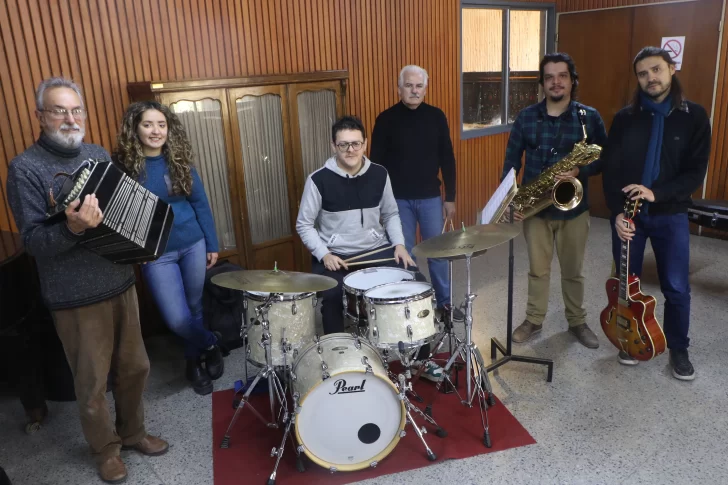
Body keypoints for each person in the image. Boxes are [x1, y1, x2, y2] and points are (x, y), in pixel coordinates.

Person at [6, 77, 168, 484]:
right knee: (93, 383)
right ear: (39, 116)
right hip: (74, 297)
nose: (69, 118)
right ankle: (105, 450)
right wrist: (72, 229)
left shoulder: (96, 153)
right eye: (59, 110)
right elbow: (32, 241)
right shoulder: (24, 169)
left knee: (136, 367)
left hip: (119, 281)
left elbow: (120, 209)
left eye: (76, 110)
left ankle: (132, 433)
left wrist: (142, 240)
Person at [296, 116, 444, 381]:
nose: (350, 150)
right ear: (333, 146)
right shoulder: (318, 180)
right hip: (337, 256)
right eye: (343, 145)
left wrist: (399, 244)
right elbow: (304, 224)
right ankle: (336, 363)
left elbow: (390, 214)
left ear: (365, 144)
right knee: (331, 297)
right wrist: (324, 254)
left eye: (355, 144)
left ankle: (423, 359)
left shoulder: (379, 173)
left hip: (377, 249)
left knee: (416, 282)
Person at [601, 46, 710, 380]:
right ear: (638, 78)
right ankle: (628, 338)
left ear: (671, 69)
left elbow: (694, 173)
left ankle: (678, 348)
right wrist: (616, 214)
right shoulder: (625, 118)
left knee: (676, 287)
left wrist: (656, 192)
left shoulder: (694, 116)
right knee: (626, 284)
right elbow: (611, 169)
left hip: (670, 213)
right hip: (628, 217)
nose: (651, 78)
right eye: (643, 73)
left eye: (657, 70)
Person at [114, 101, 225, 396]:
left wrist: (212, 243)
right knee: (177, 317)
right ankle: (211, 344)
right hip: (156, 254)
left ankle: (195, 364)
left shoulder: (179, 161)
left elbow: (200, 203)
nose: (155, 131)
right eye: (148, 124)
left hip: (192, 243)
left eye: (161, 125)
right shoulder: (124, 167)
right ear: (134, 128)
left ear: (168, 128)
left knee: (194, 307)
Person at [501, 53, 607, 349]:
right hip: (536, 208)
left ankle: (577, 321)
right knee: (538, 270)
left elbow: (603, 158)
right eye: (549, 77)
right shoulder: (526, 117)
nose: (556, 82)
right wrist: (511, 199)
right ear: (542, 83)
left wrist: (579, 169)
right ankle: (534, 319)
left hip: (574, 210)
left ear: (573, 81)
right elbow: (511, 161)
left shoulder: (589, 117)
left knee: (573, 271)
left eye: (562, 76)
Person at [370, 65, 464, 323]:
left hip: (431, 198)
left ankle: (444, 303)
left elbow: (448, 157)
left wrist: (450, 197)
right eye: (409, 85)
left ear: (425, 88)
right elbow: (376, 164)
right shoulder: (385, 119)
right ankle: (409, 304)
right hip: (397, 201)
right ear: (399, 88)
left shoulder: (436, 116)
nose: (414, 90)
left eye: (419, 86)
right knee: (405, 254)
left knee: (437, 253)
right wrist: (379, 203)